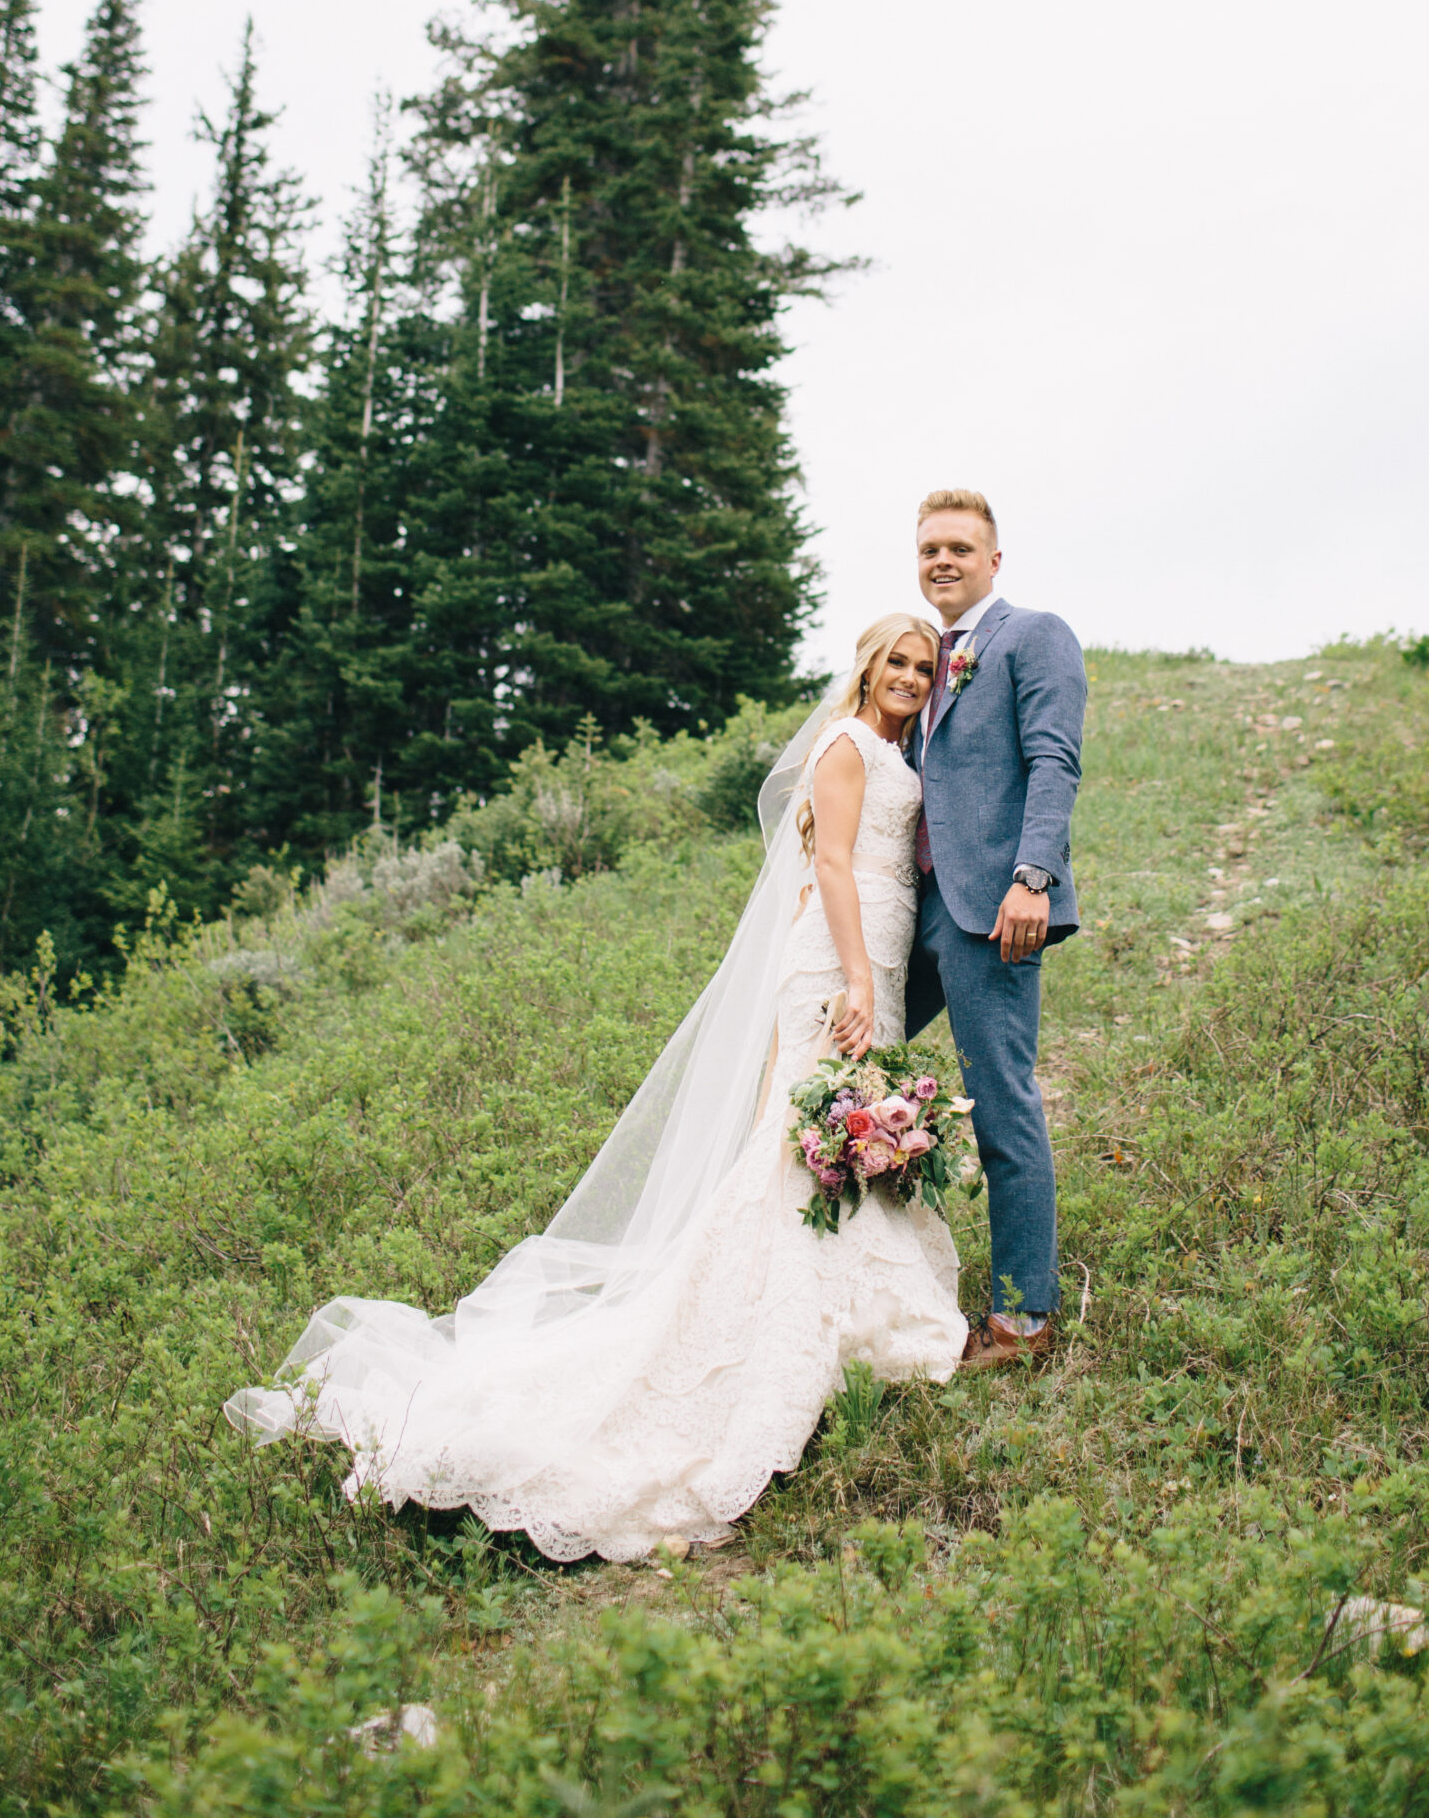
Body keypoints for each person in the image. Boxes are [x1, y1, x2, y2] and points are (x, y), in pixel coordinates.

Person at [225, 615, 965, 1563]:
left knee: (828, 1134)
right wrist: (857, 979)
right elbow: (828, 864)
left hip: (877, 955)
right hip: (843, 960)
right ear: (866, 669)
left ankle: (855, 1313)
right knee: (810, 1142)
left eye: (920, 665)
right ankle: (790, 1333)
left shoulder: (900, 748)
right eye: (893, 662)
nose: (907, 676)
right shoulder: (848, 745)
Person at [903, 488, 1087, 1370]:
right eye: (930, 547)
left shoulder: (1032, 635)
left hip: (994, 914)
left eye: (960, 548)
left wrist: (1032, 879)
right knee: (832, 1067)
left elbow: (1054, 759)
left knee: (1002, 1107)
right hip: (913, 909)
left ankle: (1022, 1319)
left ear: (994, 560)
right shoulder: (919, 655)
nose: (943, 560)